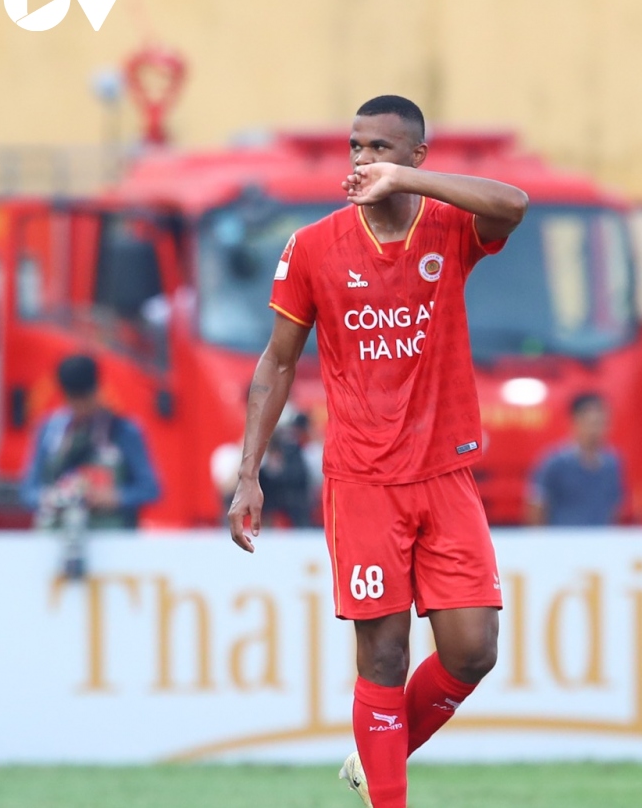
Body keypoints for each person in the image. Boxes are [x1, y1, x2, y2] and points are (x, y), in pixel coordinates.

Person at [225, 95, 528, 808]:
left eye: (381, 149)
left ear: (416, 157)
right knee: (384, 656)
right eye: (356, 147)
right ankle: (389, 791)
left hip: (445, 471)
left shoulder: (448, 225)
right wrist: (248, 474)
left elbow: (513, 204)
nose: (363, 160)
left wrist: (407, 183)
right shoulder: (314, 246)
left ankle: (374, 756)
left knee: (474, 650)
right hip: (363, 480)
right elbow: (276, 362)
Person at [20, 353, 161, 529]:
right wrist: (53, 498)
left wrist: (114, 497)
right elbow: (28, 492)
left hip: (112, 535)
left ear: (96, 391)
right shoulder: (50, 431)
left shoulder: (123, 431)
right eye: (74, 400)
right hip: (57, 532)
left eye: (85, 399)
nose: (81, 407)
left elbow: (151, 489)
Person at [525, 392, 626, 526]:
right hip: (562, 537)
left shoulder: (612, 464)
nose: (596, 430)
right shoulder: (555, 463)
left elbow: (614, 509)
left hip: (600, 537)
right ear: (575, 422)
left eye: (603, 423)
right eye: (592, 423)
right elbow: (537, 507)